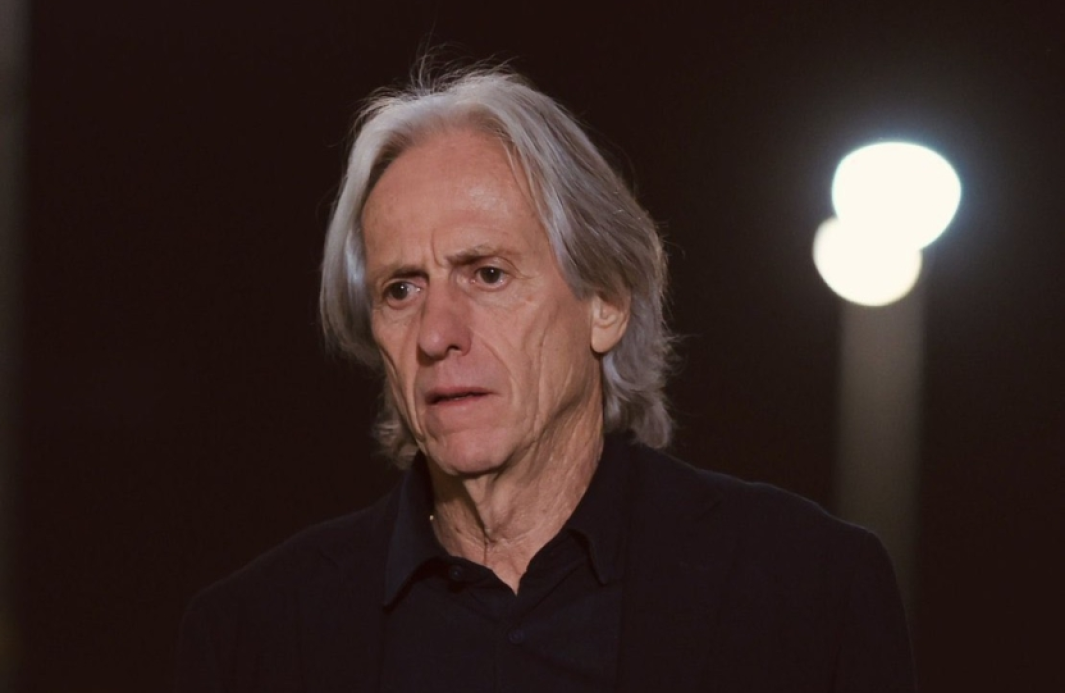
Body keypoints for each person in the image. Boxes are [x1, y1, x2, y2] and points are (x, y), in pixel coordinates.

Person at [176, 63, 915, 692]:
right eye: (401, 289)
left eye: (487, 274)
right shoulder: (253, 638)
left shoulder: (807, 590)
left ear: (606, 303)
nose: (436, 334)